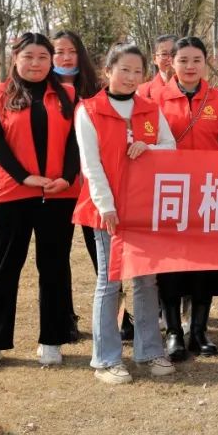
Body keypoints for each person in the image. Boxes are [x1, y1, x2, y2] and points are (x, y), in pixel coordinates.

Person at [72, 42, 177, 385]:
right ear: (108, 71)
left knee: (146, 279)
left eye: (137, 71)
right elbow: (91, 165)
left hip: (144, 209)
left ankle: (149, 351)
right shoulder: (89, 110)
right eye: (124, 70)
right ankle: (106, 359)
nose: (131, 77)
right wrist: (106, 206)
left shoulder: (149, 109)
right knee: (110, 281)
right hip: (109, 211)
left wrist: (150, 147)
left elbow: (171, 147)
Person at [0, 32, 80, 370]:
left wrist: (67, 177)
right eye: (28, 57)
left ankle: (52, 340)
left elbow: (77, 141)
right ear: (15, 59)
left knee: (54, 266)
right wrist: (24, 177)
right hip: (12, 193)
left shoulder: (68, 95)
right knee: (5, 267)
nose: (35, 63)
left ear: (52, 61)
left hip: (59, 193)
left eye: (42, 57)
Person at [154, 37, 218, 361]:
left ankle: (199, 331)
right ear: (171, 62)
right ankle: (174, 332)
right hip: (170, 193)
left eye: (197, 60)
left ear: (206, 63)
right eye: (183, 60)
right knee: (170, 265)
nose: (190, 67)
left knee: (206, 264)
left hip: (209, 193)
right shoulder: (154, 98)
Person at [50, 29, 103, 342]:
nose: (66, 57)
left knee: (103, 256)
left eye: (71, 51)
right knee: (57, 257)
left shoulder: (96, 90)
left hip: (94, 186)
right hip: (59, 186)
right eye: (59, 52)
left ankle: (118, 317)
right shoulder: (44, 90)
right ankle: (64, 319)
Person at [137, 34, 178, 100]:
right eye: (164, 54)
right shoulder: (143, 92)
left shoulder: (192, 87)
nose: (170, 58)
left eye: (174, 53)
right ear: (154, 59)